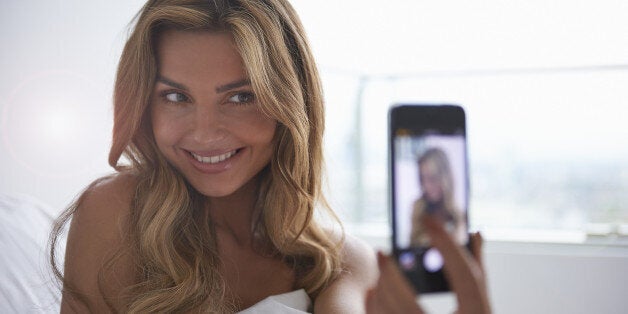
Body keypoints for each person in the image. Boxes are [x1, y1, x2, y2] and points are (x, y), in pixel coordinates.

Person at [49, 0, 490, 313]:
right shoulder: (116, 212)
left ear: (290, 104)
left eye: (241, 96)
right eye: (176, 95)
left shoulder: (337, 264)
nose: (205, 132)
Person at [410, 147, 466, 247]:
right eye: (423, 179)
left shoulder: (458, 215)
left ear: (444, 177)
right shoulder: (418, 207)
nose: (426, 186)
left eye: (432, 178)